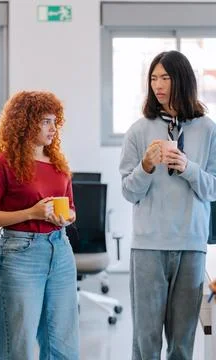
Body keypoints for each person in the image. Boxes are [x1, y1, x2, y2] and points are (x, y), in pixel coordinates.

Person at [119, 50, 216, 360]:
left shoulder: (208, 129)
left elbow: (212, 188)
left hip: (191, 245)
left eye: (165, 77)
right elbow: (129, 192)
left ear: (182, 80)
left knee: (182, 343)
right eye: (153, 78)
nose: (157, 85)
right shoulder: (138, 130)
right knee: (146, 342)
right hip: (149, 247)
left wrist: (187, 167)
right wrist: (146, 166)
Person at [0, 91, 79, 360]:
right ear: (25, 123)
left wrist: (65, 218)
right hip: (20, 254)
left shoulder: (58, 162)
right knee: (18, 346)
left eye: (54, 121)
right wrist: (30, 212)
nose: (53, 128)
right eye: (45, 121)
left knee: (63, 345)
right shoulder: (4, 163)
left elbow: (71, 210)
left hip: (60, 250)